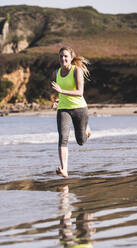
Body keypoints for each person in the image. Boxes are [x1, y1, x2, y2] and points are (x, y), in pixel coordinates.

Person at [51, 47, 91, 178]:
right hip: (63, 109)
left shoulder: (76, 71)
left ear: (71, 58)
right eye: (61, 56)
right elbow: (60, 92)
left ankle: (87, 130)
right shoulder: (56, 72)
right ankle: (64, 170)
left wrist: (61, 91)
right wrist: (57, 100)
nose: (63, 59)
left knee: (81, 141)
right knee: (63, 138)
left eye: (66, 56)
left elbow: (80, 92)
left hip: (79, 108)